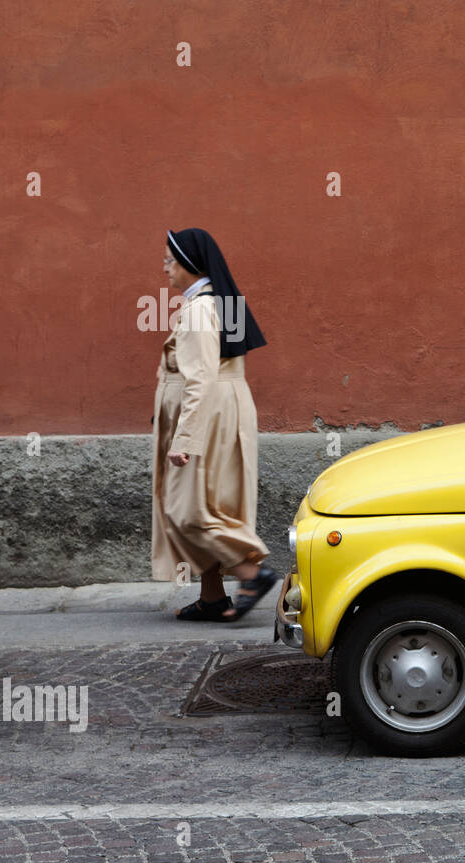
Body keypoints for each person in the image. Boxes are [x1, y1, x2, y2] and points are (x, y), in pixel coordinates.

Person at [152, 227, 277, 621]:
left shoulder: (198, 310)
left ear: (190, 265)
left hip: (206, 415)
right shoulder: (213, 303)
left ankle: (251, 575)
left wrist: (183, 438)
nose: (165, 267)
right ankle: (212, 597)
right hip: (221, 411)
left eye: (170, 260)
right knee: (208, 500)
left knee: (186, 508)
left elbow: (200, 378)